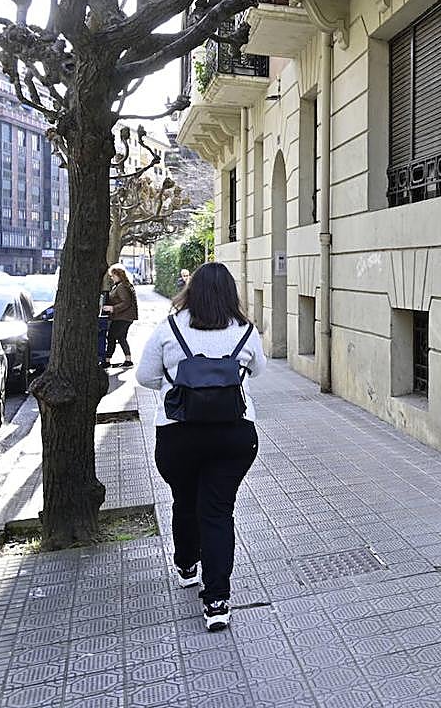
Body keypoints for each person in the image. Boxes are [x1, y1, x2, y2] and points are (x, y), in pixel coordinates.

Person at [137, 263, 266, 632]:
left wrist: (177, 384)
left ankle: (186, 566)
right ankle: (217, 602)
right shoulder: (245, 330)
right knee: (218, 512)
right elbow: (259, 371)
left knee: (184, 499)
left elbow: (145, 376)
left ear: (190, 290)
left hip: (178, 434)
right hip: (234, 434)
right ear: (230, 293)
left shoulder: (169, 328)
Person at [101, 264, 138, 369]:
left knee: (111, 336)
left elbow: (126, 302)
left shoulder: (121, 286)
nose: (112, 278)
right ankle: (128, 360)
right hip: (125, 317)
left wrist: (112, 308)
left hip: (122, 317)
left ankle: (107, 361)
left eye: (112, 276)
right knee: (121, 338)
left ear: (118, 275)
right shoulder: (122, 285)